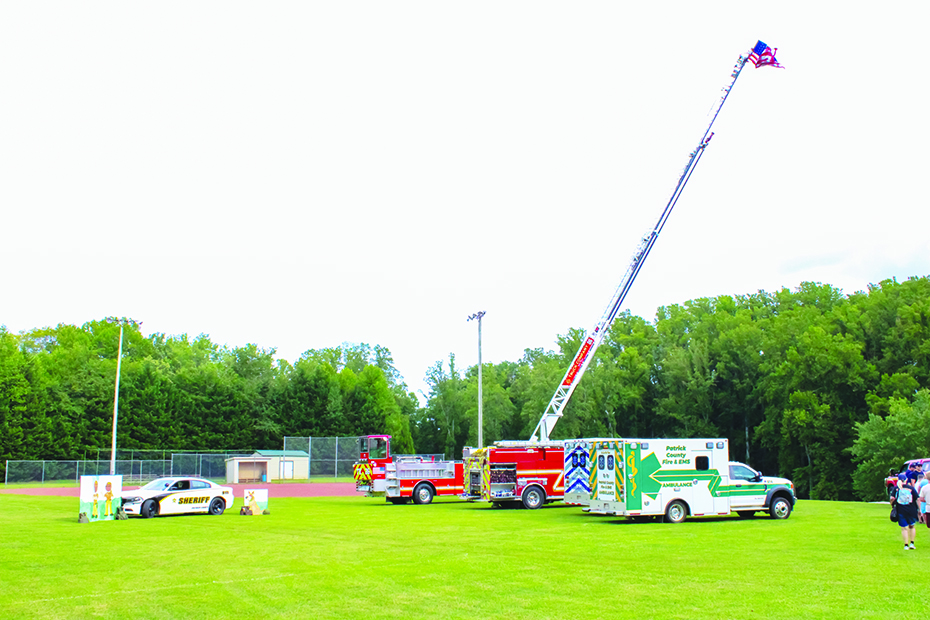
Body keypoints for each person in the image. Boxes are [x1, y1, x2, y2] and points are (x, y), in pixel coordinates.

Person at [894, 471, 920, 549]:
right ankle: (912, 543)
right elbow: (917, 498)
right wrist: (919, 509)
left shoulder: (896, 488)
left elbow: (892, 498)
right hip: (911, 510)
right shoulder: (911, 488)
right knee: (911, 526)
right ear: (906, 479)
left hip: (901, 510)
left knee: (904, 528)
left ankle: (906, 544)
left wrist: (893, 505)